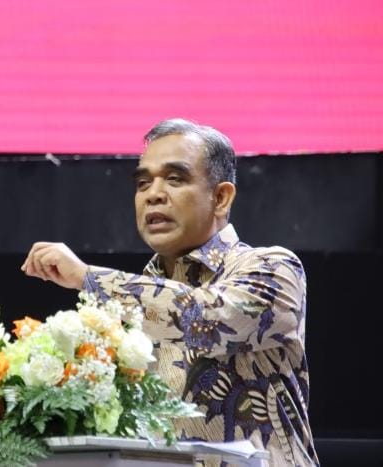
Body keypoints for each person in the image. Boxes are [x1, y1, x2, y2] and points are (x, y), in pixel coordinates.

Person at [21, 118, 319, 466]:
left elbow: (209, 318)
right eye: (143, 183)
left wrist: (89, 279)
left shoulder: (274, 268)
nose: (154, 194)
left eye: (175, 179)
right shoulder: (125, 306)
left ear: (221, 197)